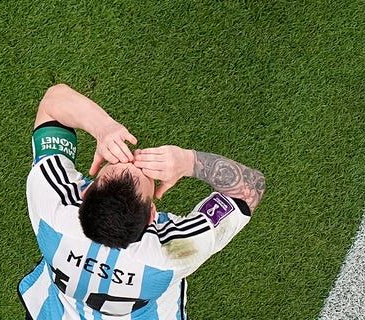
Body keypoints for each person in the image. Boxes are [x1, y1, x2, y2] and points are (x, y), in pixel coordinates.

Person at [18, 84, 266, 319]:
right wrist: (189, 162)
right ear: (152, 216)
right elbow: (251, 188)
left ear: (85, 192)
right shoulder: (172, 253)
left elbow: (53, 103)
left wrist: (103, 127)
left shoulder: (53, 209)